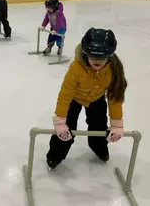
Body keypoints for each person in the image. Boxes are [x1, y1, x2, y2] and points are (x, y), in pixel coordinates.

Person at [46, 28, 127, 169]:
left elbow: (114, 97)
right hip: (74, 98)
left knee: (99, 127)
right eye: (93, 55)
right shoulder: (76, 68)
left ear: (109, 55)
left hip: (96, 99)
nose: (97, 60)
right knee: (66, 131)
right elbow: (65, 94)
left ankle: (99, 148)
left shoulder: (113, 70)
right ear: (85, 53)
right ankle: (55, 155)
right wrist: (60, 121)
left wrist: (117, 124)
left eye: (102, 57)